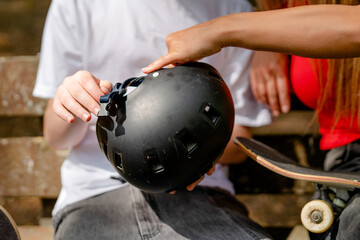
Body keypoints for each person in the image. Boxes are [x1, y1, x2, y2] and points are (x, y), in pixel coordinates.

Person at [33, 0, 273, 239]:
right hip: (95, 192)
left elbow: (238, 138)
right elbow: (56, 137)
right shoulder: (75, 5)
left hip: (198, 194)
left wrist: (201, 147)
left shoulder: (231, 9)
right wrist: (71, 102)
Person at [143, 1, 360, 240]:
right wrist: (270, 42)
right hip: (346, 163)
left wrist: (223, 30)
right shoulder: (281, 6)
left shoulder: (242, 17)